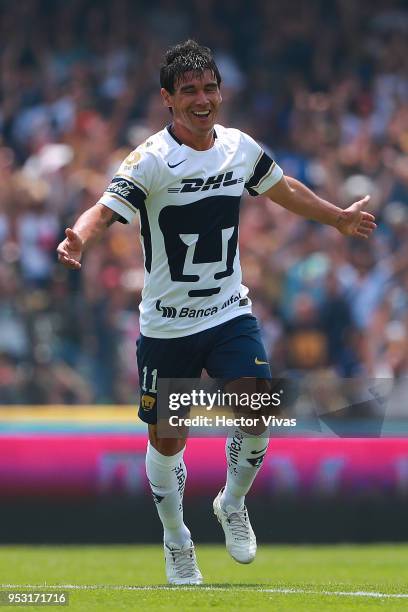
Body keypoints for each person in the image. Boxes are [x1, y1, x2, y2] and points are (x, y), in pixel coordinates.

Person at [57, 40, 376, 585]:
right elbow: (106, 209)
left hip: (228, 312)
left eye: (209, 89)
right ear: (168, 98)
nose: (202, 100)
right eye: (189, 91)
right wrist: (79, 238)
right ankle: (176, 538)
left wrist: (337, 219)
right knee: (167, 440)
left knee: (256, 408)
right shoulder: (151, 159)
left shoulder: (239, 148)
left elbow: (284, 189)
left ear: (220, 93)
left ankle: (231, 502)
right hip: (165, 325)